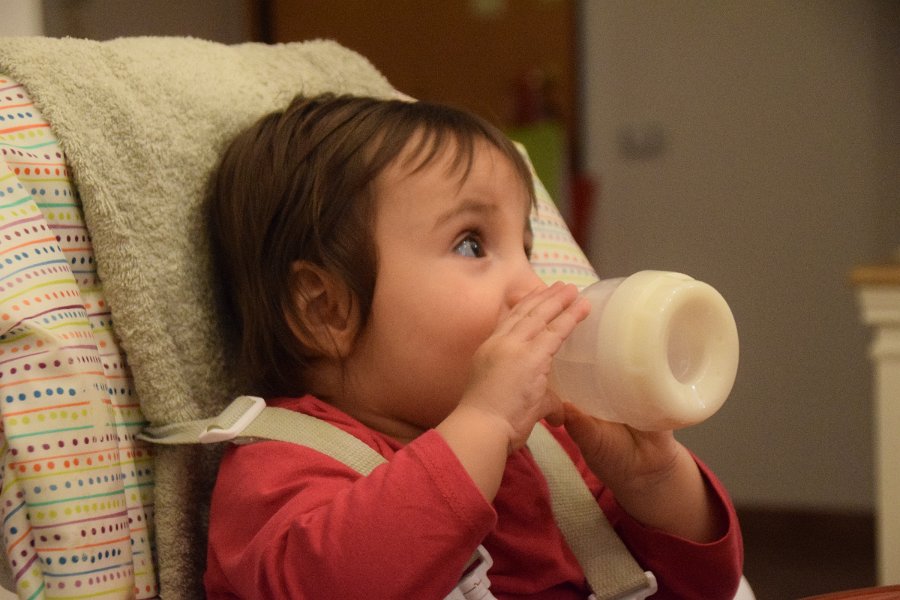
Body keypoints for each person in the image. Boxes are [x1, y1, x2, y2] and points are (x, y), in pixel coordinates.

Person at [203, 93, 743, 599]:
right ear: (326, 309)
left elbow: (709, 586)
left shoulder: (549, 453)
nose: (533, 285)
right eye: (471, 244)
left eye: (527, 249)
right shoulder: (278, 466)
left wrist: (653, 480)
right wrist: (482, 423)